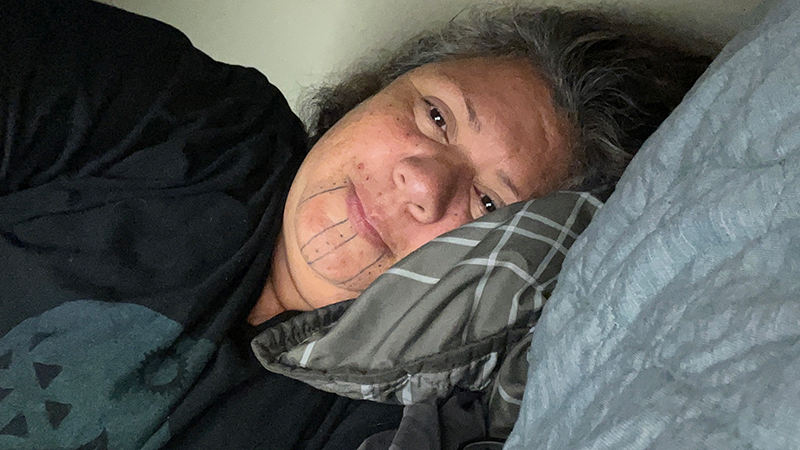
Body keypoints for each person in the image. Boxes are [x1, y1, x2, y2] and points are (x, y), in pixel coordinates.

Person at [0, 0, 714, 448]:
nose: (422, 181)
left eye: (490, 205)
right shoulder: (183, 118)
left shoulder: (399, 426)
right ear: (373, 94)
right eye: (434, 116)